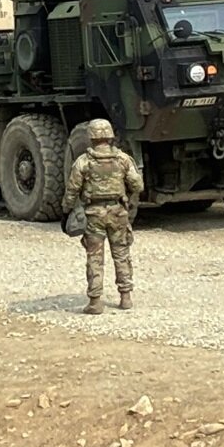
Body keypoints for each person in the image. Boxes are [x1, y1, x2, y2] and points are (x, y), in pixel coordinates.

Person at [61, 118, 144, 314]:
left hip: (93, 215)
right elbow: (138, 185)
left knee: (95, 258)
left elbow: (71, 191)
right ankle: (125, 297)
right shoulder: (123, 159)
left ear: (91, 137)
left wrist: (66, 211)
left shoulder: (83, 162)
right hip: (118, 213)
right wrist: (128, 202)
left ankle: (95, 302)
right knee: (122, 254)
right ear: (110, 136)